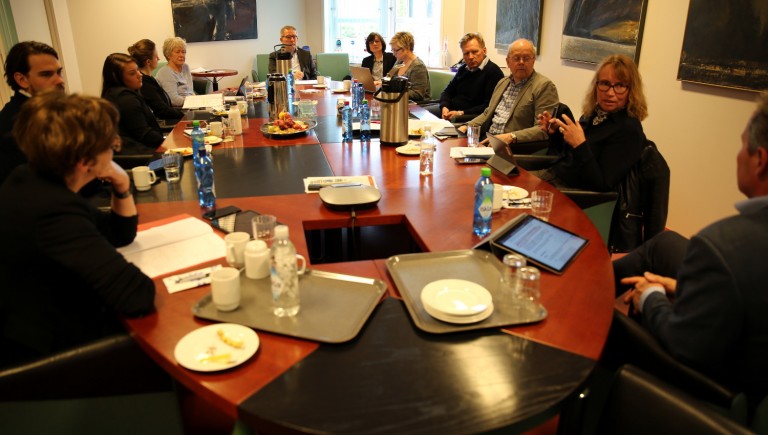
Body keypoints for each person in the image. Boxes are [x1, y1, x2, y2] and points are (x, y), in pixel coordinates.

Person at [613, 93, 768, 410]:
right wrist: (683, 288)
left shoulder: (720, 246)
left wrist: (651, 296)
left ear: (760, 160)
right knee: (664, 244)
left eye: (742, 146)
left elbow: (681, 344)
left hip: (719, 394)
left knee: (610, 321)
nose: (738, 155)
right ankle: (597, 284)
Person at [0, 93, 155, 367]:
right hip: (50, 356)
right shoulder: (54, 212)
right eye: (110, 145)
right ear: (85, 161)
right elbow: (137, 295)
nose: (114, 150)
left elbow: (119, 234)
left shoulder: (27, 177)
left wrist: (121, 185)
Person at [535, 54, 647, 192]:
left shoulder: (629, 129)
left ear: (631, 90)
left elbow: (602, 184)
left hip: (569, 193)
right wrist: (555, 134)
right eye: (605, 83)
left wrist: (580, 144)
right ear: (596, 86)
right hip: (552, 175)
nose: (610, 93)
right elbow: (569, 156)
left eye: (619, 86)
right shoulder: (593, 114)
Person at [460, 39, 558, 144]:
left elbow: (542, 129)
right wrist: (467, 126)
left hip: (514, 146)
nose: (521, 62)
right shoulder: (503, 82)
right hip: (487, 139)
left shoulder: (544, 86)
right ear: (508, 62)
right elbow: (487, 113)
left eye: (526, 58)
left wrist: (512, 136)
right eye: (516, 58)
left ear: (533, 61)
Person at [0, 41, 65, 184]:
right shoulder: (18, 121)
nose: (60, 80)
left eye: (59, 72)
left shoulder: (46, 110)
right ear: (22, 80)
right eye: (46, 74)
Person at [101, 53, 165, 154]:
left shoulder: (113, 93)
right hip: (143, 157)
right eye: (132, 73)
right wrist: (169, 144)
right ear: (116, 77)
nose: (140, 75)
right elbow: (145, 135)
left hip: (142, 150)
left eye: (138, 70)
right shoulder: (125, 99)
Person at [439, 33, 504, 123]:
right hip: (450, 111)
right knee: (423, 116)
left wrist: (461, 113)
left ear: (484, 51)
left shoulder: (493, 72)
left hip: (468, 117)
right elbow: (447, 91)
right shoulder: (463, 69)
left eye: (474, 52)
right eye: (466, 53)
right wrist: (444, 106)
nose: (470, 57)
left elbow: (488, 106)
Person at [128, 39, 185, 122]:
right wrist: (185, 115)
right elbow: (162, 111)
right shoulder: (145, 84)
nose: (158, 58)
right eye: (156, 56)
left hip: (170, 117)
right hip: (165, 123)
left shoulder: (150, 79)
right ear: (148, 62)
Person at [386, 31, 430, 102]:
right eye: (392, 50)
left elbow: (418, 95)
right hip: (401, 100)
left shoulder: (418, 66)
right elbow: (390, 78)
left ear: (407, 48)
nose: (394, 54)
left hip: (418, 105)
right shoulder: (399, 61)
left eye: (396, 50)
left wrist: (394, 90)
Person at [155, 37, 195, 107]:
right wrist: (193, 101)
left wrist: (198, 100)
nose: (181, 55)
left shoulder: (186, 67)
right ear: (168, 55)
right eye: (177, 52)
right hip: (178, 108)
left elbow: (190, 91)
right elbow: (173, 100)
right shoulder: (165, 72)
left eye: (183, 52)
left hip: (191, 105)